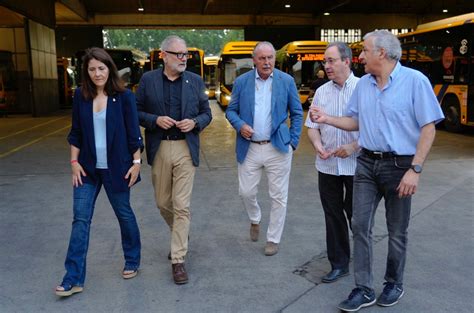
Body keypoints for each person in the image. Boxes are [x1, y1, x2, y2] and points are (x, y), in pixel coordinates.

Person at [310, 30, 444, 311]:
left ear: (381, 53)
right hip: (367, 164)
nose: (360, 56)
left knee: (397, 230)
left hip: (400, 166)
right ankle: (363, 288)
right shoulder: (364, 86)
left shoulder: (414, 81)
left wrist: (415, 169)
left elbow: (428, 127)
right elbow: (354, 122)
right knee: (359, 225)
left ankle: (393, 283)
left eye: (365, 51)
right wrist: (327, 119)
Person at [56, 47, 143, 297]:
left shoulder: (124, 97)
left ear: (109, 69)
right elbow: (76, 133)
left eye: (101, 68)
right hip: (87, 169)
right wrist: (74, 162)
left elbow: (132, 133)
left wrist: (136, 163)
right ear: (86, 72)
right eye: (92, 69)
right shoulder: (80, 97)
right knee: (80, 220)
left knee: (124, 215)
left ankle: (132, 259)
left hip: (118, 168)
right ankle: (73, 278)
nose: (97, 73)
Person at [136, 35, 212, 285]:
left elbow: (207, 112)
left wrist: (196, 122)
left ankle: (178, 259)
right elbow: (135, 111)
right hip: (159, 147)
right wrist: (154, 120)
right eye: (178, 54)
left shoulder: (195, 80)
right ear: (164, 56)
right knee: (162, 202)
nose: (183, 59)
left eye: (185, 55)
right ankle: (181, 235)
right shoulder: (148, 80)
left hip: (185, 147)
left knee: (181, 206)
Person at [226, 41, 303, 256]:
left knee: (279, 196)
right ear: (254, 60)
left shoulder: (286, 81)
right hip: (249, 148)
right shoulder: (242, 82)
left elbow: (297, 113)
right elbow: (230, 111)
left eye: (270, 58)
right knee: (246, 192)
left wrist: (293, 141)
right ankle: (255, 218)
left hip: (278, 147)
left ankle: (273, 239)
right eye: (262, 58)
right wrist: (240, 126)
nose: (267, 62)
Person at [305, 42, 359, 283]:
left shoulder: (363, 88)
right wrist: (317, 145)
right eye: (324, 62)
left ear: (346, 61)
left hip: (358, 165)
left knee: (356, 215)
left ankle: (363, 257)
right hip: (327, 166)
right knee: (333, 214)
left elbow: (373, 128)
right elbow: (312, 127)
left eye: (331, 60)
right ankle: (339, 263)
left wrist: (353, 147)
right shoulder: (321, 91)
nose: (326, 66)